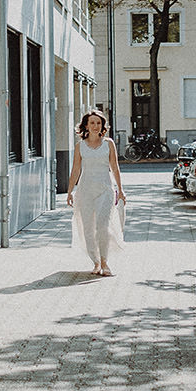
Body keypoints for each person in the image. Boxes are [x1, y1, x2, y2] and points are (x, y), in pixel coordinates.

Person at [66, 110, 127, 276]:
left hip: (105, 189)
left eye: (98, 123)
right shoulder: (80, 146)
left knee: (102, 226)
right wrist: (70, 191)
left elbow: (114, 167)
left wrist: (120, 190)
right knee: (88, 228)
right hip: (85, 190)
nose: (95, 126)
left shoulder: (109, 144)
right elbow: (76, 169)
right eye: (92, 123)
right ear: (86, 125)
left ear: (102, 126)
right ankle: (95, 261)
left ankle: (105, 262)